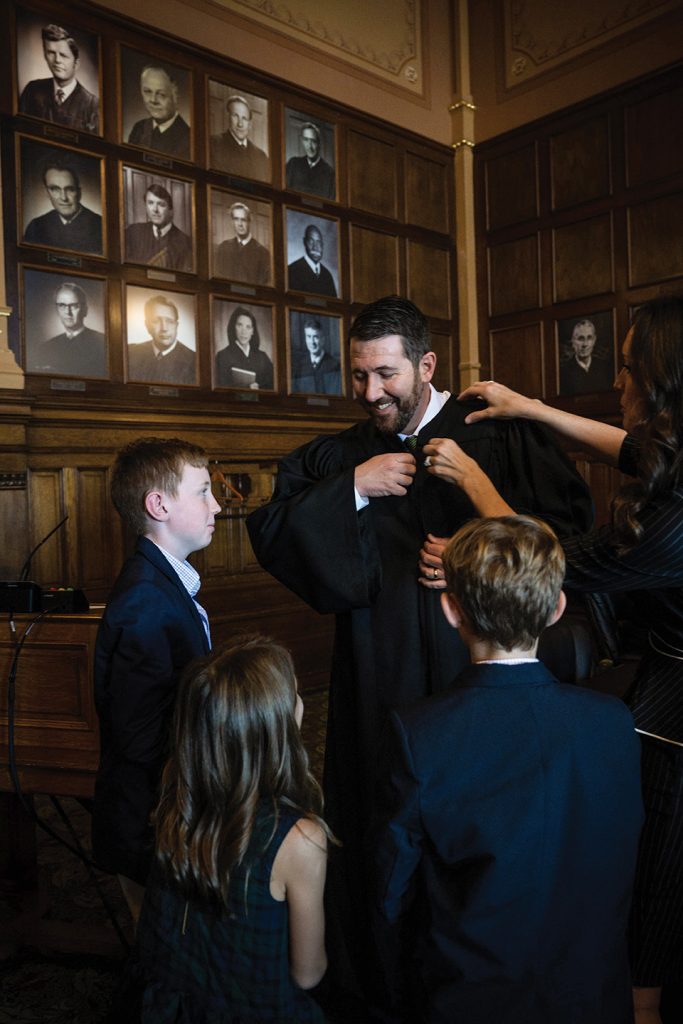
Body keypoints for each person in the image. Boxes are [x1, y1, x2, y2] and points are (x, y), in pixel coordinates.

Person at [246, 295, 593, 1002]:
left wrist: (474, 550)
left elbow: (567, 536)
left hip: (486, 677)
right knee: (386, 824)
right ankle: (382, 980)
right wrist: (351, 489)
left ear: (424, 365)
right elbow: (274, 530)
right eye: (357, 376)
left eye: (385, 375)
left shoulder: (493, 436)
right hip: (383, 670)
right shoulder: (341, 454)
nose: (370, 393)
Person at [424, 294, 683, 1024]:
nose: (617, 385)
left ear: (661, 385)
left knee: (657, 874)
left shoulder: (668, 529)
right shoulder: (674, 445)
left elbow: (545, 563)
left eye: (628, 370)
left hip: (675, 713)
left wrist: (469, 477)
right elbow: (624, 446)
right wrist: (529, 408)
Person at [371, 515, 643, 1024]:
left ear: (451, 609)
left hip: (471, 996)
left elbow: (392, 892)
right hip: (592, 992)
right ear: (558, 608)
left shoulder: (419, 734)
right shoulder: (613, 722)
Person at [113, 636, 329, 1022]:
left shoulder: (177, 797)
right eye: (294, 694)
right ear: (275, 726)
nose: (301, 703)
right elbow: (309, 973)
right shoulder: (299, 840)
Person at [92, 437, 220, 922]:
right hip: (151, 821)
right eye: (204, 491)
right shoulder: (145, 603)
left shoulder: (165, 584)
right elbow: (140, 739)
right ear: (159, 504)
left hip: (169, 814)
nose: (217, 505)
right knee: (162, 959)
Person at [19, 23, 99, 134]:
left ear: (76, 63)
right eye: (51, 53)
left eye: (63, 55)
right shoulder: (32, 91)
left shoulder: (92, 105)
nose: (57, 60)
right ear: (45, 56)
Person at [24, 161, 102, 254]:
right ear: (47, 193)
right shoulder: (36, 226)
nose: (63, 198)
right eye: (55, 189)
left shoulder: (100, 227)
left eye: (70, 189)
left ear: (79, 193)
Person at [30, 281, 106, 377]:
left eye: (74, 306)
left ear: (85, 310)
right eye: (62, 305)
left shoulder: (103, 344)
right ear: (57, 310)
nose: (68, 312)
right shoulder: (46, 347)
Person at [128, 294, 196, 385]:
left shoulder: (194, 361)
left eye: (170, 321)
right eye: (156, 321)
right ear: (147, 325)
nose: (164, 328)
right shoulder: (130, 352)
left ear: (177, 325)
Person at [125, 183, 192, 272]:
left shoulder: (185, 242)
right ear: (146, 206)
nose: (155, 209)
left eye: (161, 204)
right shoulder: (133, 232)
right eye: (150, 203)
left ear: (170, 210)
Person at [127, 66, 191, 160]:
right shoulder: (139, 128)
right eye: (148, 92)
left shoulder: (189, 139)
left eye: (161, 94)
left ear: (175, 96)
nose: (153, 100)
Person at [210, 94, 269, 181]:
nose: (240, 124)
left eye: (244, 118)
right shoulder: (213, 144)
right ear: (228, 118)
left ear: (250, 124)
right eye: (235, 116)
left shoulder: (261, 156)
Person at [215, 305, 273, 389]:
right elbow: (220, 389)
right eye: (239, 325)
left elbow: (273, 385)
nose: (244, 331)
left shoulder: (262, 357)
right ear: (233, 327)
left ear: (252, 331)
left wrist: (259, 389)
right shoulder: (223, 356)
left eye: (248, 327)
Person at [213, 201, 270, 284]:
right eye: (236, 219)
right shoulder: (223, 247)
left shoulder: (263, 252)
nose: (240, 224)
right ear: (232, 222)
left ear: (249, 222)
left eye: (243, 220)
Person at [560, 317, 613, 395]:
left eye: (589, 338)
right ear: (573, 341)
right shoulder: (563, 372)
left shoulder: (605, 367)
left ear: (594, 340)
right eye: (580, 339)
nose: (585, 344)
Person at [286, 122, 335, 199]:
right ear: (302, 141)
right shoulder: (293, 164)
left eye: (313, 141)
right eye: (306, 140)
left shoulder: (329, 173)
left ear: (319, 143)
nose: (309, 146)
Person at [291, 317, 341, 395]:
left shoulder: (334, 365)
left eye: (316, 337)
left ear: (323, 339)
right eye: (309, 336)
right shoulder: (300, 366)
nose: (312, 342)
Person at [288, 224, 337, 297]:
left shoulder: (327, 276)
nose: (315, 247)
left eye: (318, 242)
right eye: (311, 241)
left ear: (322, 246)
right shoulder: (292, 270)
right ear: (305, 242)